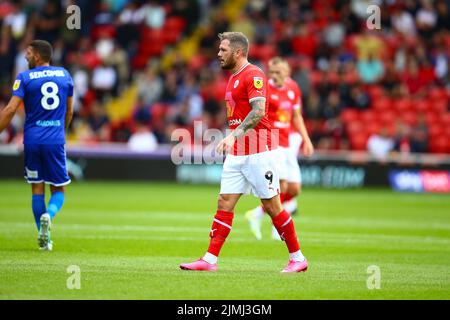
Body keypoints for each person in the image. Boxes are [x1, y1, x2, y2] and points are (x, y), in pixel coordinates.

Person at [180, 32, 308, 273]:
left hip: (260, 150)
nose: (218, 54)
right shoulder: (233, 77)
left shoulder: (254, 75)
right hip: (239, 152)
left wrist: (232, 135)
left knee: (272, 206)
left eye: (223, 50)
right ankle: (209, 260)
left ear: (238, 52)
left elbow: (259, 111)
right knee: (224, 201)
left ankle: (298, 258)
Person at [0, 40, 73, 251]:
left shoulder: (24, 78)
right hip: (55, 139)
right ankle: (48, 216)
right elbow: (69, 112)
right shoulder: (65, 75)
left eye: (29, 53)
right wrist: (62, 131)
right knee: (59, 189)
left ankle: (45, 241)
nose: (25, 56)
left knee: (37, 188)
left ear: (38, 56)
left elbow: (10, 110)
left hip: (32, 140)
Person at [245, 57, 314, 240]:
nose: (274, 76)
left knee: (295, 189)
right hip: (272, 142)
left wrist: (306, 140)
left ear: (287, 73)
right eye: (271, 72)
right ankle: (278, 226)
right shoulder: (265, 88)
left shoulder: (293, 88)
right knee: (281, 185)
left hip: (287, 142)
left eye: (278, 72)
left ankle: (258, 214)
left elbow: (296, 116)